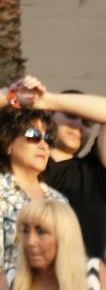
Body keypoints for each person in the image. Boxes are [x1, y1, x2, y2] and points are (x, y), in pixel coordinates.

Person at [4, 76, 106, 260]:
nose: (77, 126)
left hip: (79, 283)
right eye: (70, 116)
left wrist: (46, 99)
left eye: (87, 123)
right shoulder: (21, 161)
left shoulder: (94, 172)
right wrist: (12, 96)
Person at [0, 106, 68, 271]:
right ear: (8, 143)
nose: (43, 145)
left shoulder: (58, 200)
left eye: (49, 139)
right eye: (33, 136)